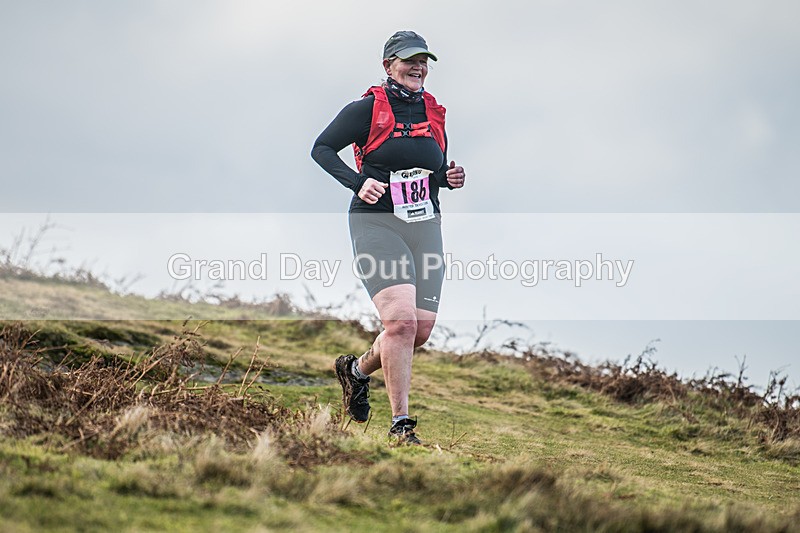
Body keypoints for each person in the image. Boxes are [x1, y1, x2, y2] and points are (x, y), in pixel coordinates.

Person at [311, 31, 466, 444]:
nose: (419, 67)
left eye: (424, 61)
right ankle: (401, 425)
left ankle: (356, 371)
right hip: (376, 223)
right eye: (410, 60)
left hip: (425, 226)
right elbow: (322, 148)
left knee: (419, 331)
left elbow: (431, 171)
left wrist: (448, 178)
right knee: (400, 322)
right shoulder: (366, 109)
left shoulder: (433, 111)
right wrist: (357, 182)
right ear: (388, 65)